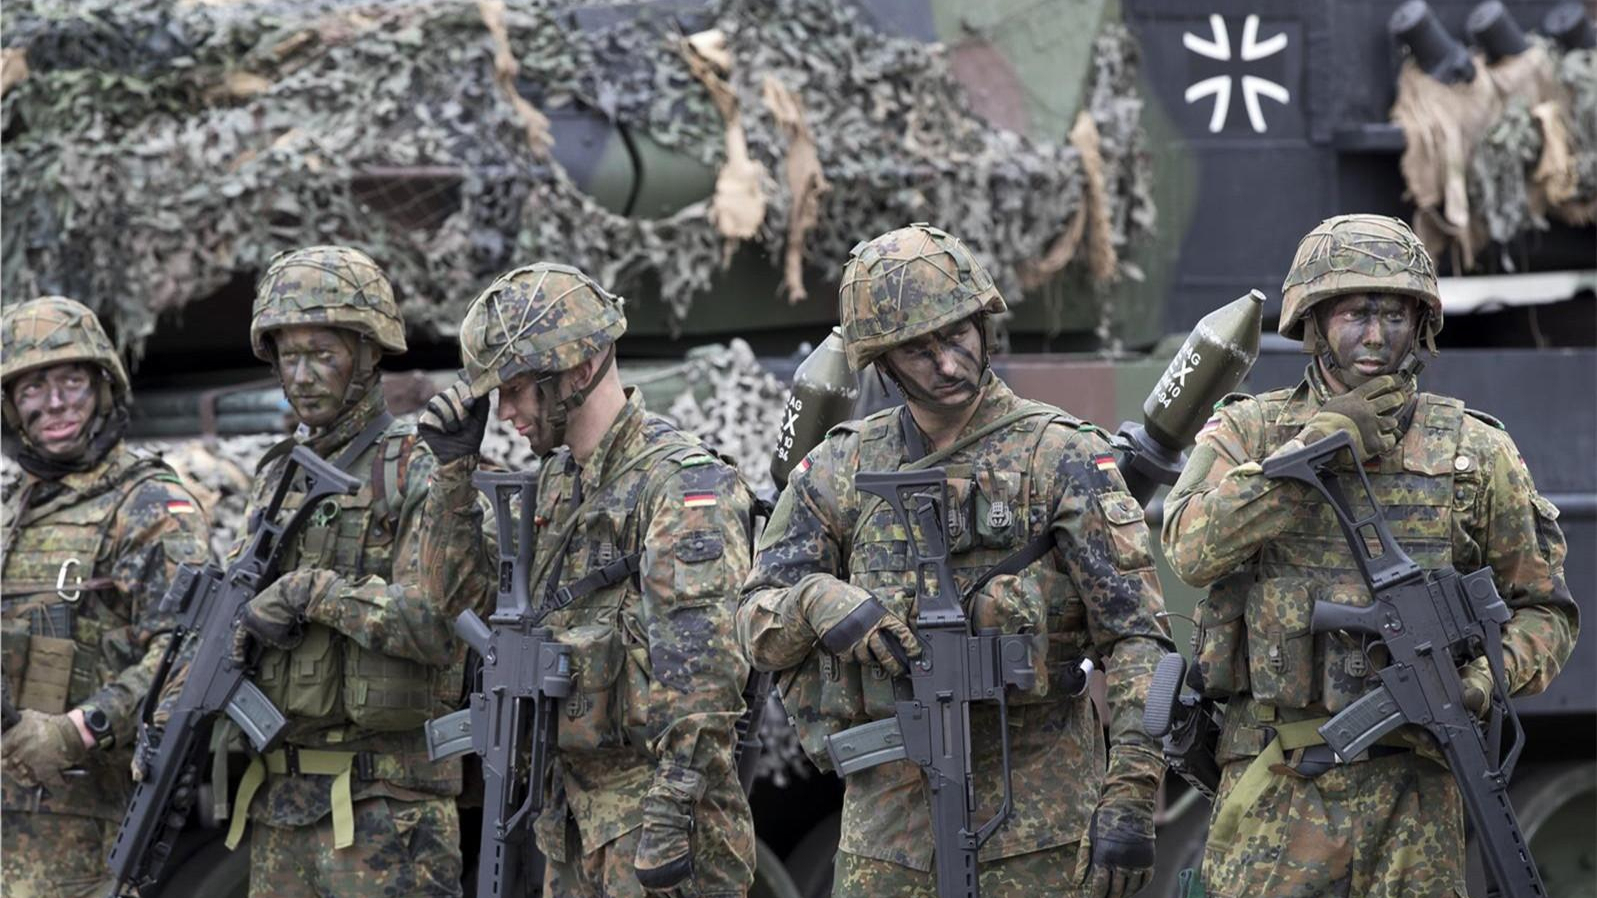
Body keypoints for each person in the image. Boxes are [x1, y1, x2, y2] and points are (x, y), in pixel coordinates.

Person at [739, 223, 1172, 898]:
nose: (947, 364)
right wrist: (819, 600)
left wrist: (1131, 794)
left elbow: (1139, 637)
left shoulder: (1060, 455)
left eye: (957, 336)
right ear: (883, 363)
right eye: (919, 350)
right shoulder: (840, 467)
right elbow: (755, 620)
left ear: (983, 326)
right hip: (889, 838)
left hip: (1041, 830)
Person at [1161, 213, 1579, 898]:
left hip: (1417, 796)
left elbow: (1545, 613)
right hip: (1276, 787)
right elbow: (1188, 549)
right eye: (1356, 313)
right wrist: (1309, 456)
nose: (1377, 336)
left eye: (1394, 315)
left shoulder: (1474, 451)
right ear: (1314, 319)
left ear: (1420, 325)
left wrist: (1482, 680)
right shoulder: (1251, 431)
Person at [416, 262, 757, 897]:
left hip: (655, 829)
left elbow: (704, 675)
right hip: (571, 822)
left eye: (517, 388)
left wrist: (669, 820)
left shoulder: (681, 485)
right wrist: (452, 479)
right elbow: (457, 602)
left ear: (579, 369)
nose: (505, 411)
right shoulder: (556, 483)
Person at [221, 245, 464, 896]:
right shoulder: (278, 477)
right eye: (288, 357)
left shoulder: (418, 468)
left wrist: (311, 592)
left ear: (368, 352)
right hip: (281, 809)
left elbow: (435, 623)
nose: (302, 376)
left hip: (387, 813)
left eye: (322, 354)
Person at [0, 296, 212, 897]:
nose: (55, 402)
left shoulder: (148, 503)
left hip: (84, 832)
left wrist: (81, 729)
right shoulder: (13, 509)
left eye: (71, 380)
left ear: (102, 387)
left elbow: (193, 651)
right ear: (11, 405)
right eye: (33, 387)